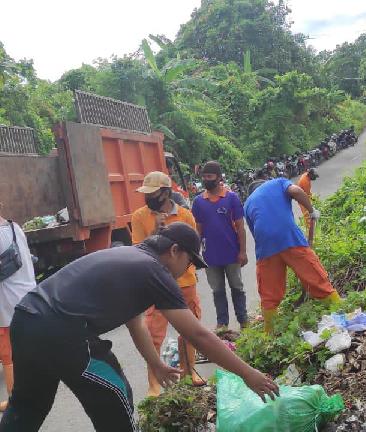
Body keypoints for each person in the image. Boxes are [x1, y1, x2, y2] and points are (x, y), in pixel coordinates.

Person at [0, 222, 279, 431]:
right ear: (174, 251)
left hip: (26, 319)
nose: (188, 270)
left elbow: (137, 323)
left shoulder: (131, 259)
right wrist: (248, 373)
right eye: (190, 262)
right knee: (116, 396)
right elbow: (196, 333)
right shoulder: (153, 270)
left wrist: (156, 364)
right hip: (60, 330)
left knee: (28, 407)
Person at [131, 171, 204, 395]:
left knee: (190, 329)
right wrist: (155, 230)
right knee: (153, 333)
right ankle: (154, 383)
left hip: (185, 281)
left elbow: (194, 249)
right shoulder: (140, 216)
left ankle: (189, 371)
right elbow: (138, 250)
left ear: (165, 192)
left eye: (152, 193)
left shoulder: (185, 215)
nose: (148, 197)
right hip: (155, 284)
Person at [244, 178, 340, 333]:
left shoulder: (248, 203)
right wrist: (311, 210)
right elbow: (295, 191)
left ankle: (270, 333)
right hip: (290, 239)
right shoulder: (277, 182)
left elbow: (255, 232)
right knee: (315, 275)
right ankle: (340, 308)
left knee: (269, 292)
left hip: (265, 247)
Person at [192, 161, 249, 330]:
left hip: (232, 253)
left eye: (209, 176)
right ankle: (222, 323)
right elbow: (198, 230)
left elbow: (240, 227)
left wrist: (243, 251)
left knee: (237, 287)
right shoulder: (198, 202)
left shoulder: (231, 198)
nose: (206, 180)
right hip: (211, 256)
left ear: (218, 177)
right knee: (217, 290)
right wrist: (196, 254)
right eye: (204, 177)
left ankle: (243, 320)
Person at [0, 210, 36, 412]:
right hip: (26, 294)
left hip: (8, 302)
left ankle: (17, 402)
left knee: (8, 354)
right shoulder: (15, 227)